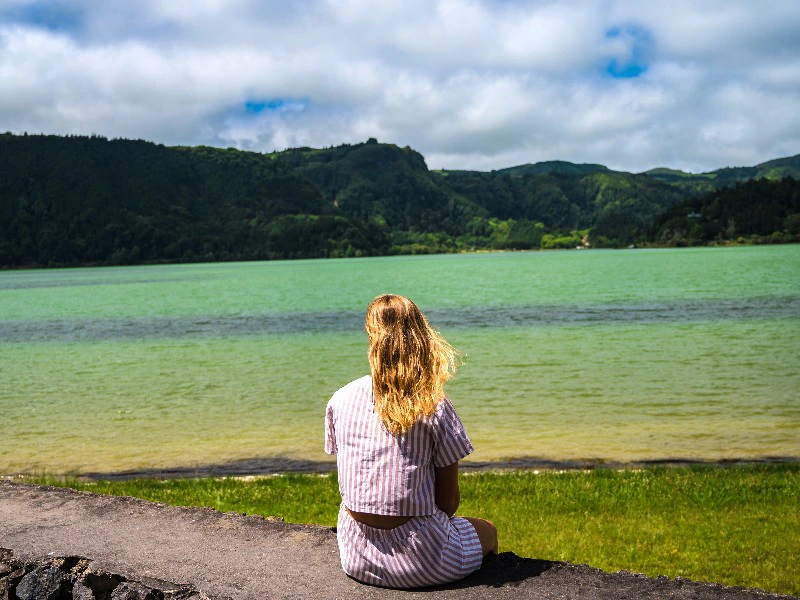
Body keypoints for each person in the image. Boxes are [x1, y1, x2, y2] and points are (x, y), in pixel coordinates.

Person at [324, 294, 498, 588]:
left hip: (355, 555)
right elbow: (448, 502)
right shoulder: (434, 404)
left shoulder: (340, 399)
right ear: (421, 337)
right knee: (488, 531)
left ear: (371, 337)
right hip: (421, 558)